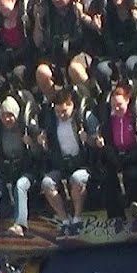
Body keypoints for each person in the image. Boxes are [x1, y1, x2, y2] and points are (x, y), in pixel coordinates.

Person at [93, 81, 137, 221]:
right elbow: (102, 136)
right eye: (114, 105)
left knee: (132, 175)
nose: (116, 108)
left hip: (134, 155)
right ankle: (116, 216)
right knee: (107, 178)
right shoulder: (109, 119)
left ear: (127, 101)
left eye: (120, 105)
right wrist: (100, 141)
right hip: (116, 156)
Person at [38, 89, 97, 235]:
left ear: (72, 106)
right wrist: (43, 142)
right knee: (46, 183)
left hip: (83, 163)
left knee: (76, 179)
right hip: (61, 164)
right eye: (58, 112)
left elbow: (97, 141)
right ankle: (65, 219)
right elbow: (47, 146)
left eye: (64, 111)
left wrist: (88, 140)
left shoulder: (84, 118)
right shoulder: (52, 122)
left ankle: (77, 218)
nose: (61, 115)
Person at [0, 94, 41, 236]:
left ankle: (20, 224)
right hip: (7, 171)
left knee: (20, 185)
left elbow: (39, 154)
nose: (7, 119)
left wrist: (31, 144)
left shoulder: (26, 129)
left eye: (10, 116)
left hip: (27, 171)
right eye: (4, 116)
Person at [33, 0, 93, 97]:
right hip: (56, 53)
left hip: (80, 51)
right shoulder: (48, 11)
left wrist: (82, 15)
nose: (56, 0)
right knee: (42, 72)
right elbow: (38, 42)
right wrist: (38, 19)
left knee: (75, 69)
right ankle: (57, 103)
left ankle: (89, 98)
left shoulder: (82, 4)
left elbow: (96, 29)